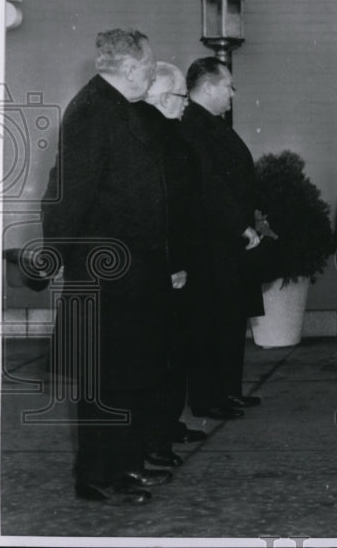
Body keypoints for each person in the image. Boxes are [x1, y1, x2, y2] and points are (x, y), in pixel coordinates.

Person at [41, 29, 172, 505]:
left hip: (134, 270)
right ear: (132, 68)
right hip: (107, 274)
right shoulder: (93, 111)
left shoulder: (117, 108)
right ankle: (98, 477)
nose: (154, 74)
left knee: (131, 375)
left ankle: (127, 467)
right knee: (106, 382)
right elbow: (69, 193)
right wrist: (51, 256)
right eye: (152, 67)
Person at [179, 57, 263, 420]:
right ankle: (208, 398)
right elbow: (208, 187)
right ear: (209, 87)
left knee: (229, 318)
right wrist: (239, 225)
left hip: (227, 243)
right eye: (228, 85)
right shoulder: (194, 127)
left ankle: (227, 392)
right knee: (212, 321)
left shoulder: (210, 123)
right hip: (213, 243)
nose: (232, 92)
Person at [138, 63, 209, 459]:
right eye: (183, 96)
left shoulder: (168, 135)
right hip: (170, 267)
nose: (187, 104)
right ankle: (157, 435)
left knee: (174, 351)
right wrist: (177, 263)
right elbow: (167, 211)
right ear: (165, 98)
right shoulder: (158, 140)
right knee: (163, 355)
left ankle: (168, 425)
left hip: (178, 264)